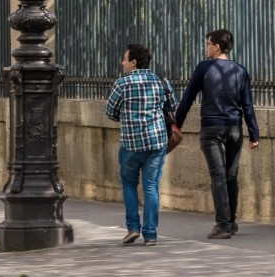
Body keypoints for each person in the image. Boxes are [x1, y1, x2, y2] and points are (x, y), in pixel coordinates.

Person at [174, 28, 261, 239]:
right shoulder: (240, 71)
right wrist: (254, 134)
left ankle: (222, 225)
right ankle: (230, 222)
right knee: (231, 175)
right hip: (234, 129)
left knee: (218, 176)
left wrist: (177, 123)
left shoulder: (204, 68)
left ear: (217, 46)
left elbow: (188, 98)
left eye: (208, 44)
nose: (207, 48)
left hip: (212, 128)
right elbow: (247, 105)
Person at [104, 44, 176, 246]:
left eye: (125, 59)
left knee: (129, 184)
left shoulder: (122, 84)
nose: (122, 62)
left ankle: (133, 228)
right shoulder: (160, 81)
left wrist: (126, 115)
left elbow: (110, 112)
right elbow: (172, 105)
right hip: (156, 142)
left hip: (131, 143)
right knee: (151, 186)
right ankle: (151, 234)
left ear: (134, 62)